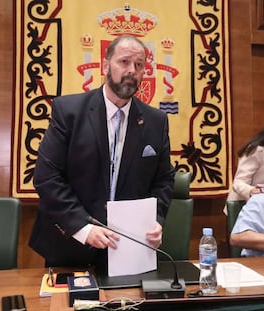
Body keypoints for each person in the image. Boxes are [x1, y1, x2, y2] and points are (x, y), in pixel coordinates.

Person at [28, 35, 175, 269]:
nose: (132, 71)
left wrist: (155, 220)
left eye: (139, 65)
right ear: (106, 66)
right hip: (71, 245)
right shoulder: (69, 112)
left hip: (129, 249)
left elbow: (164, 179)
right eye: (124, 62)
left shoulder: (156, 121)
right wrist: (83, 228)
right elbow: (47, 177)